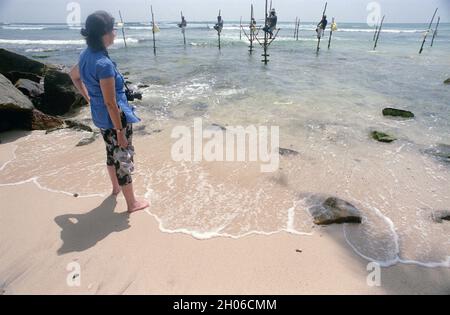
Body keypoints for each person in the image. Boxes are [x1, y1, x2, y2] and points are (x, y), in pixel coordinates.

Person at [69, 11, 149, 214]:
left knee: (110, 152)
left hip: (101, 117)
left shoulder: (86, 55)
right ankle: (131, 203)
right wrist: (121, 131)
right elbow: (111, 103)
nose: (115, 33)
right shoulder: (103, 64)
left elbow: (74, 76)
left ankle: (115, 188)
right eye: (113, 29)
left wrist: (88, 99)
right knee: (123, 156)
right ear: (103, 33)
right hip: (115, 119)